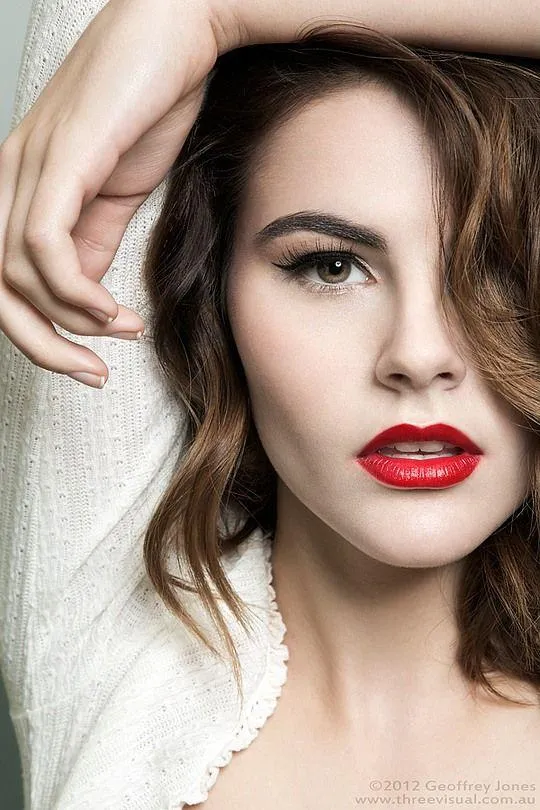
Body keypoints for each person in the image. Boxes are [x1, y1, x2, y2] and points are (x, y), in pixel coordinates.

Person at [0, 3, 539, 810]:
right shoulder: (115, 640)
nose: (419, 356)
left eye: (497, 271)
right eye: (329, 267)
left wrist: (218, 11)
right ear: (212, 300)